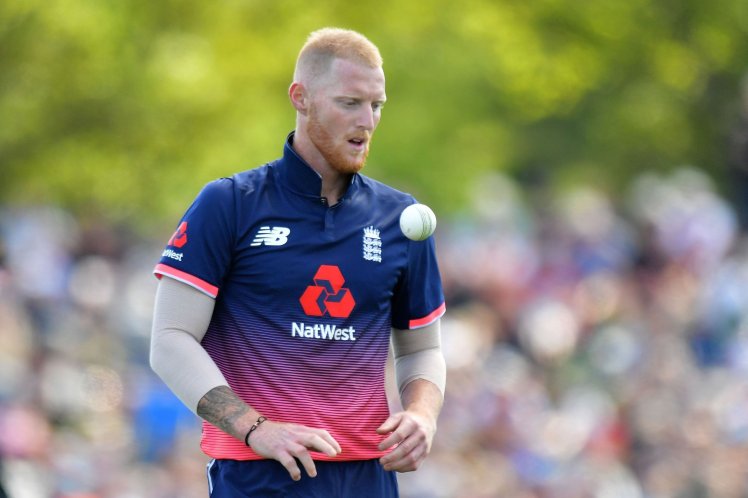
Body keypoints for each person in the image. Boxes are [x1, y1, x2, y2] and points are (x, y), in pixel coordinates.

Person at [149, 27, 446, 498]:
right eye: (350, 103)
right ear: (301, 98)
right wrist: (256, 428)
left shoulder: (402, 219)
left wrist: (422, 415)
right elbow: (169, 340)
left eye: (377, 105)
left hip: (367, 476)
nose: (367, 121)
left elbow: (421, 348)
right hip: (259, 475)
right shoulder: (229, 203)